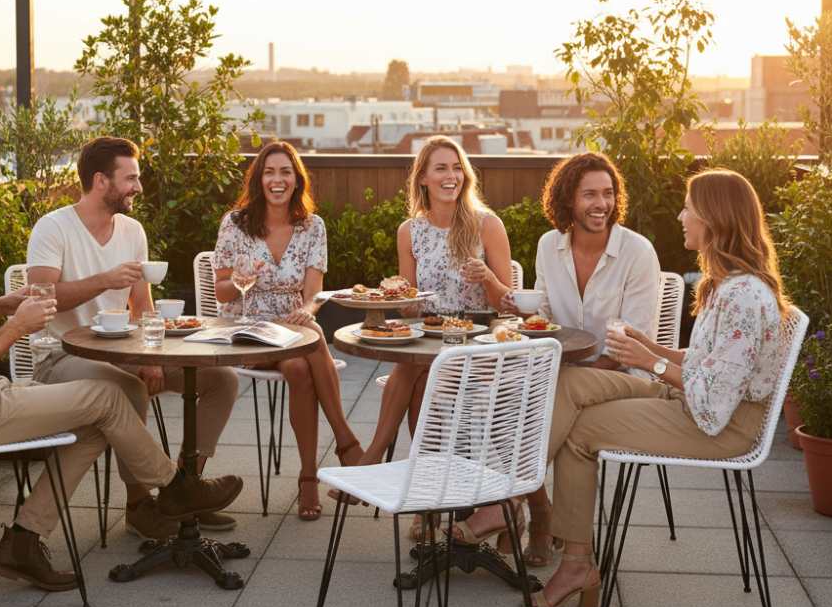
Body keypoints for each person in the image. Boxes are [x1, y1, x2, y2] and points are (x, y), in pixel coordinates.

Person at [0, 144, 242, 592]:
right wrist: (17, 327)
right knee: (108, 397)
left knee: (95, 420)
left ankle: (25, 540)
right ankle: (176, 488)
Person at [529, 168, 789, 607]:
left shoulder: (744, 296)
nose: (682, 216)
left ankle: (535, 520)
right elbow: (710, 362)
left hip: (720, 427)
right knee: (570, 385)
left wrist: (648, 361)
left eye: (689, 208)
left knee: (578, 430)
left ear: (714, 218)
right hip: (691, 403)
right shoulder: (727, 285)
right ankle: (541, 520)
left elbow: (712, 404)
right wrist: (649, 347)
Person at [27, 136, 240, 541]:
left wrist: (153, 356)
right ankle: (140, 504)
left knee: (221, 380)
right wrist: (102, 281)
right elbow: (41, 298)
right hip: (61, 358)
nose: (139, 188)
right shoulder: (53, 228)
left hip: (123, 354)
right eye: (131, 179)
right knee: (129, 388)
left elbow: (142, 305)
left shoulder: (132, 231)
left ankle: (189, 488)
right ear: (100, 181)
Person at [459, 152, 660, 562]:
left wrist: (568, 372)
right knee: (496, 391)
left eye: (607, 194)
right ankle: (537, 507)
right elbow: (545, 319)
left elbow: (634, 342)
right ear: (568, 199)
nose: (600, 204)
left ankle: (508, 501)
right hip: (560, 370)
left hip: (625, 374)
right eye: (589, 195)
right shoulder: (550, 246)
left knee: (552, 396)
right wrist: (522, 317)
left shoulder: (638, 253)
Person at [354, 136, 514, 538]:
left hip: (475, 336)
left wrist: (489, 277)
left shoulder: (486, 224)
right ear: (423, 178)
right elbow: (411, 302)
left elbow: (509, 305)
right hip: (429, 334)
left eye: (457, 167)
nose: (451, 176)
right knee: (418, 373)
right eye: (441, 168)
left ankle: (384, 466)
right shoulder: (410, 231)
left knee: (415, 374)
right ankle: (430, 498)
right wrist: (396, 299)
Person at [212, 140, 364, 520]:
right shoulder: (235, 224)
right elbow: (220, 291)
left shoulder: (313, 227)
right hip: (246, 328)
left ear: (297, 180)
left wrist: (307, 312)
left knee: (299, 365)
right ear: (258, 179)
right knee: (310, 345)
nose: (277, 180)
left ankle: (308, 475)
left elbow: (313, 295)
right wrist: (240, 280)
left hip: (292, 329)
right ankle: (346, 442)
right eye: (269, 172)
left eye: (285, 173)